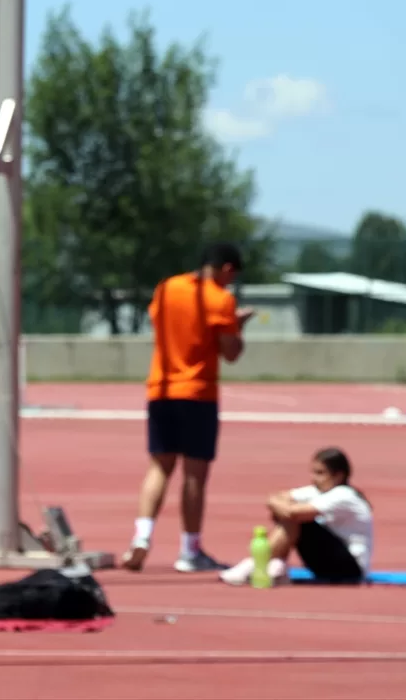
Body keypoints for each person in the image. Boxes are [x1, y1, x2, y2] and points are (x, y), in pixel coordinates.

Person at [121, 243, 255, 573]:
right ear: (226, 269)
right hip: (197, 392)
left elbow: (165, 327)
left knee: (159, 466)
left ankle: (142, 537)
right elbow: (231, 352)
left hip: (161, 388)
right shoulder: (220, 299)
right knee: (194, 475)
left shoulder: (167, 288)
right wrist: (237, 325)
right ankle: (189, 549)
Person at [219, 447, 374, 586]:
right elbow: (275, 497)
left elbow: (292, 513)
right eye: (313, 472)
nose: (314, 478)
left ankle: (257, 563)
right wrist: (281, 508)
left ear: (338, 476)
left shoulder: (344, 495)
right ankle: (274, 564)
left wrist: (283, 509)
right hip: (326, 563)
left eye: (320, 473)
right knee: (289, 515)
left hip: (350, 569)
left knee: (297, 519)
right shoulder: (317, 490)